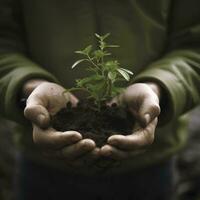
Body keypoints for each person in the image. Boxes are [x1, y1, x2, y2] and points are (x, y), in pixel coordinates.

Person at [0, 0, 200, 199]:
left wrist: (157, 88)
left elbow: (193, 45)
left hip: (150, 164)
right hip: (42, 164)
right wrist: (28, 87)